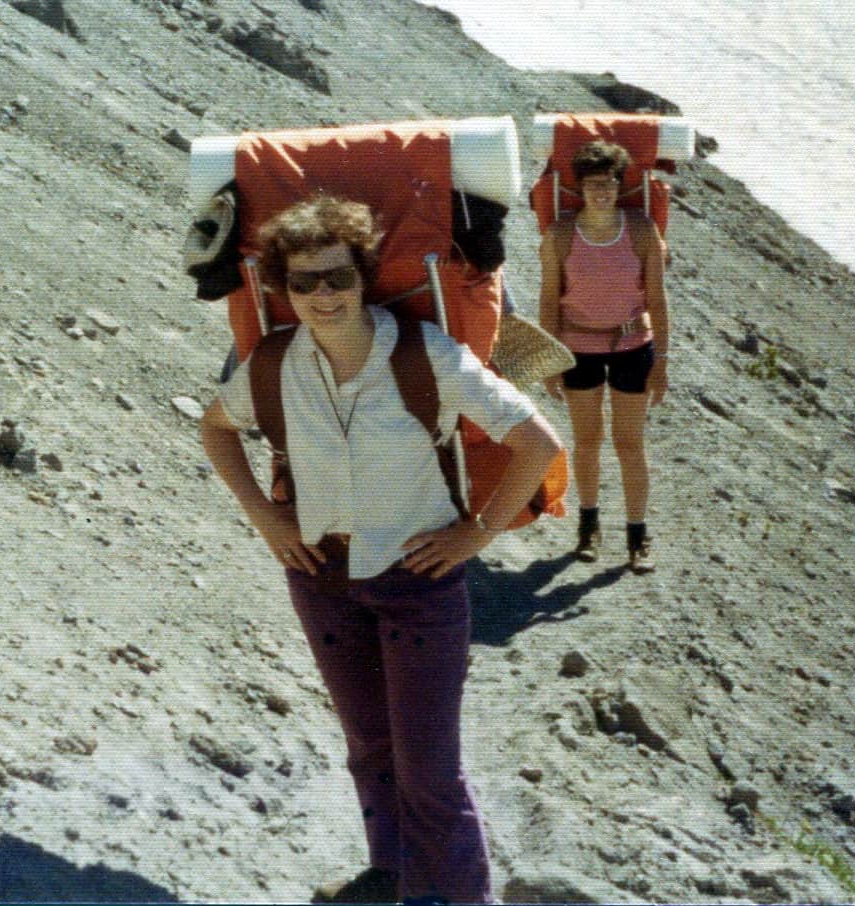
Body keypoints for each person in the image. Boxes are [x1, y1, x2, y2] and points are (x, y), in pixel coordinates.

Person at [200, 195, 563, 904]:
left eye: (337, 277)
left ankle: (460, 896)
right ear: (282, 288)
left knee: (429, 768)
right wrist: (265, 519)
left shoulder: (426, 356)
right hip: (321, 577)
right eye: (303, 282)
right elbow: (216, 428)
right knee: (369, 747)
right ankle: (391, 875)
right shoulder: (272, 363)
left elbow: (538, 444)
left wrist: (476, 532)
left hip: (419, 584)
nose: (322, 295)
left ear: (363, 276)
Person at [539, 140, 669, 573]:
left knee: (630, 443)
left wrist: (663, 361)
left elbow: (658, 300)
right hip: (578, 349)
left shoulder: (642, 230)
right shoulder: (559, 235)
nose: (601, 191)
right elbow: (548, 300)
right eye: (593, 183)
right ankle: (588, 528)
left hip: (634, 347)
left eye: (609, 182)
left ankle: (637, 536)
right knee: (588, 441)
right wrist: (548, 359)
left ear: (619, 185)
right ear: (579, 188)